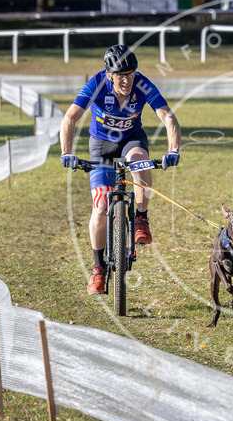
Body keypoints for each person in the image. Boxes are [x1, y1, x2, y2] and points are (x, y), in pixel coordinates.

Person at [59, 44, 182, 295]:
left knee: (140, 161)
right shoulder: (96, 84)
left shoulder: (142, 85)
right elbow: (71, 117)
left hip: (131, 140)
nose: (127, 80)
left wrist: (173, 150)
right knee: (101, 206)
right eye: (121, 75)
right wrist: (67, 153)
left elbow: (168, 117)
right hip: (101, 146)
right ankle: (98, 269)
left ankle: (141, 218)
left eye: (131, 74)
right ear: (109, 75)